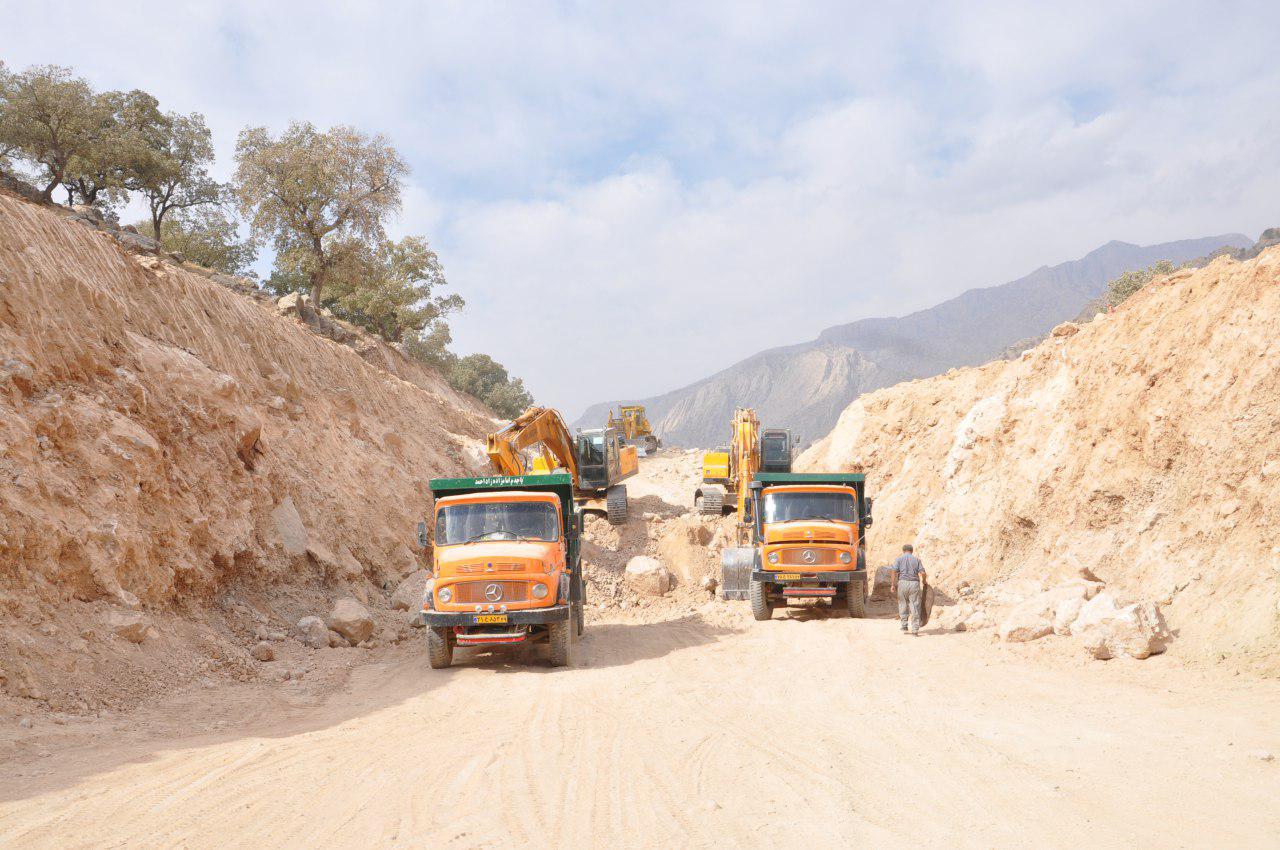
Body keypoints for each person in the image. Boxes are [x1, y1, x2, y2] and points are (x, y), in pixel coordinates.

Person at [890, 544, 926, 635]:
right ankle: (914, 630)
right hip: (914, 584)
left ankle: (904, 626)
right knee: (914, 605)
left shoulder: (899, 559)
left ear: (903, 551)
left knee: (903, 604)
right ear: (912, 551)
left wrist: (893, 584)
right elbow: (922, 572)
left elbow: (893, 570)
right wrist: (924, 581)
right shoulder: (917, 560)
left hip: (902, 583)